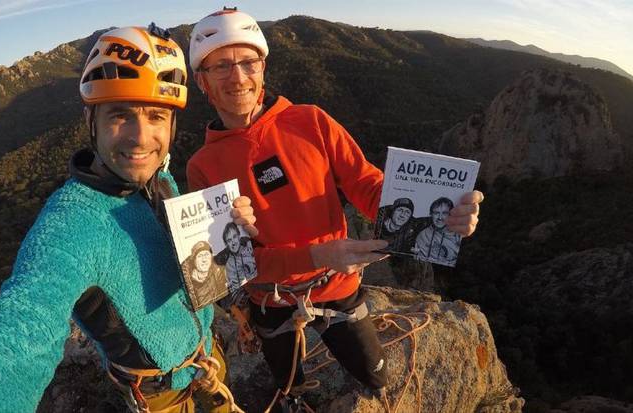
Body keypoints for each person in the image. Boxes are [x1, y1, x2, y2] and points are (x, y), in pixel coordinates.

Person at [0, 24, 257, 413]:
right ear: (91, 120)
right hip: (160, 393)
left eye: (156, 116)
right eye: (119, 115)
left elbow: (189, 269)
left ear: (172, 124)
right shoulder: (70, 226)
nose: (141, 137)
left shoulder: (159, 181)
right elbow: (21, 327)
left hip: (206, 358)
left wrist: (221, 229)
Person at [184, 8, 484, 410]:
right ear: (202, 81)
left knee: (376, 374)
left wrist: (440, 215)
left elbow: (366, 183)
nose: (237, 77)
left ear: (263, 67)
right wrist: (318, 254)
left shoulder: (311, 122)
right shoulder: (203, 167)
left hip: (338, 287)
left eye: (247, 62)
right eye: (220, 66)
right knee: (290, 384)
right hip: (272, 300)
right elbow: (236, 264)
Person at [415, 197, 461, 266]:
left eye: (445, 213)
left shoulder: (460, 233)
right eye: (436, 213)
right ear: (431, 214)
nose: (440, 217)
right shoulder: (424, 236)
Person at [183, 240, 229, 307]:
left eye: (206, 254)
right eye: (200, 256)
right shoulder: (188, 281)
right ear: (194, 260)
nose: (204, 260)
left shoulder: (218, 272)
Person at [215, 222, 257, 291]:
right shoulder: (229, 264)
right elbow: (234, 285)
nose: (233, 243)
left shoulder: (249, 246)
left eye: (234, 237)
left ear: (239, 236)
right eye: (229, 240)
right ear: (226, 244)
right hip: (245, 291)